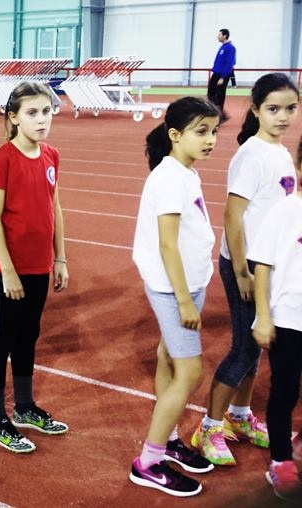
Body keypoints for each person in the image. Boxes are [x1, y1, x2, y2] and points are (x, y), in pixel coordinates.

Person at [192, 73, 299, 466]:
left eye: (290, 108)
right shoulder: (252, 155)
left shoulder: (282, 153)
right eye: (273, 109)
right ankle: (209, 426)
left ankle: (239, 415)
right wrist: (241, 271)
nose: (282, 116)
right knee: (243, 348)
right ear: (255, 110)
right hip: (247, 262)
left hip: (269, 262)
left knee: (258, 345)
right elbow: (233, 216)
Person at [128, 97, 221, 497]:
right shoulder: (169, 178)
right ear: (175, 135)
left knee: (169, 357)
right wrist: (183, 299)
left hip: (189, 283)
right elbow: (167, 244)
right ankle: (148, 463)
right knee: (190, 372)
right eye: (201, 132)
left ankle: (166, 442)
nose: (210, 139)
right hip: (173, 288)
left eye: (214, 131)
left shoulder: (184, 172)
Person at [0, 81, 69, 454]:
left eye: (46, 111)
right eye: (32, 113)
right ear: (14, 118)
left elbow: (54, 207)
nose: (41, 119)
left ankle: (24, 406)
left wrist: (60, 257)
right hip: (10, 269)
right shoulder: (2, 160)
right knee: (2, 339)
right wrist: (7, 269)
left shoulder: (51, 155)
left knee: (28, 336)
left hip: (39, 265)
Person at [250, 140, 302, 500]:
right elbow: (263, 266)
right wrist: (263, 317)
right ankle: (281, 461)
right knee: (285, 391)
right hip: (287, 319)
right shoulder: (284, 211)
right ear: (299, 167)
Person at [207, 28, 236, 115]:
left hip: (222, 75)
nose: (217, 37)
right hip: (216, 74)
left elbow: (229, 63)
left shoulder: (230, 48)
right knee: (211, 93)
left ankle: (219, 115)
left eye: (219, 35)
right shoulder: (223, 47)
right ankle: (215, 113)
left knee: (219, 96)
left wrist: (222, 77)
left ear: (225, 36)